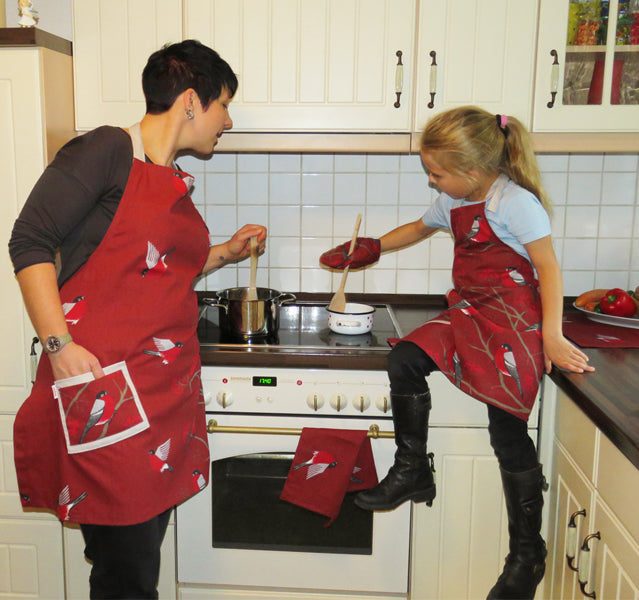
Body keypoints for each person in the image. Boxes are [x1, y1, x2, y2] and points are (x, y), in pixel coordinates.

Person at [9, 39, 266, 599]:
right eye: (224, 103)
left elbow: (155, 266)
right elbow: (29, 241)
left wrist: (224, 250)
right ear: (192, 101)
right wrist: (59, 345)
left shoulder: (165, 172)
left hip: (162, 393)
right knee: (126, 576)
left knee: (137, 558)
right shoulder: (107, 150)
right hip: (105, 388)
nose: (229, 118)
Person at [320, 106, 594, 600]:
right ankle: (412, 469)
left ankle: (527, 556)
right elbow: (419, 229)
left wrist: (551, 335)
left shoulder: (516, 204)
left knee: (507, 431)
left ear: (471, 172)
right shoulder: (456, 200)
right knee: (404, 358)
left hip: (514, 321)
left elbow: (549, 270)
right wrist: (370, 248)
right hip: (469, 312)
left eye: (436, 173)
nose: (432, 180)